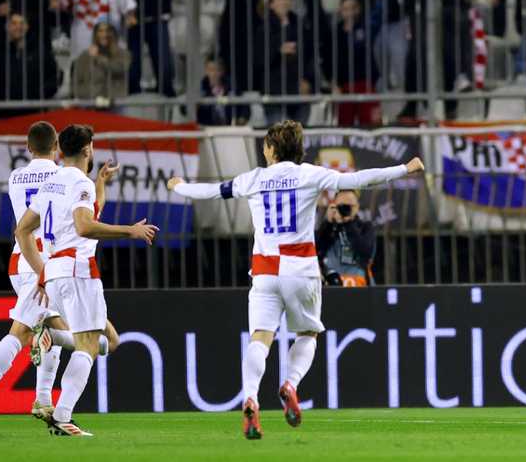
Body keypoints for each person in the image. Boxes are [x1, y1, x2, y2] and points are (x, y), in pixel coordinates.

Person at [166, 120, 424, 439]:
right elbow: (357, 179)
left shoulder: (255, 178)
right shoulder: (309, 174)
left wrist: (178, 186)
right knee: (307, 333)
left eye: (265, 145)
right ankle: (290, 384)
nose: (263, 150)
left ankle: (250, 397)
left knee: (260, 338)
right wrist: (404, 168)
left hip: (264, 269)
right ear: (298, 149)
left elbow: (211, 192)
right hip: (300, 267)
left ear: (272, 149)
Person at [0, 122, 118, 432]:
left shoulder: (16, 177)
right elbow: (88, 216)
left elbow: (25, 224)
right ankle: (39, 399)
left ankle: (12, 396)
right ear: (58, 146)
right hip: (53, 265)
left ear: (30, 147)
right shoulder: (65, 178)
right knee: (89, 339)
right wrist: (98, 184)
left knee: (25, 334)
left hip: (22, 259)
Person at [15, 124, 159, 436]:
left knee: (109, 342)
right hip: (78, 269)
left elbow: (22, 230)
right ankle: (63, 414)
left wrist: (41, 270)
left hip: (55, 271)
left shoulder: (53, 183)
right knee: (91, 344)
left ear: (60, 150)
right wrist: (129, 231)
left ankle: (51, 339)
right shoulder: (80, 182)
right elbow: (83, 226)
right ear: (87, 149)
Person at [0, 13, 60, 119]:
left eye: (22, 23)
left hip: (35, 113)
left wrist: (37, 96)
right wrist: (1, 96)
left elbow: (55, 78)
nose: (18, 27)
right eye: (14, 23)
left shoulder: (41, 52)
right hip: (2, 114)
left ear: (27, 26)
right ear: (7, 26)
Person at [323, 0, 381, 127]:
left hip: (365, 84)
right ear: (340, 10)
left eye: (352, 8)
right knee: (344, 125)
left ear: (358, 9)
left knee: (371, 124)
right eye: (345, 8)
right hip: (343, 87)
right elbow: (328, 60)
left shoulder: (366, 28)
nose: (349, 12)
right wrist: (332, 83)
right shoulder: (334, 34)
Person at [315, 189, 377, 286]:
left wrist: (348, 223)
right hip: (332, 285)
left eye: (349, 206)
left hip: (360, 287)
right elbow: (316, 251)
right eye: (341, 206)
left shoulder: (365, 227)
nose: (345, 209)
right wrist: (327, 224)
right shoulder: (329, 228)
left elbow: (365, 254)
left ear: (357, 207)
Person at [72, 22, 132, 103]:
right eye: (100, 31)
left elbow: (119, 69)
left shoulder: (123, 54)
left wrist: (98, 58)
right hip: (90, 102)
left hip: (115, 102)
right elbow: (76, 82)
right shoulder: (85, 56)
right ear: (95, 35)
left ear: (114, 34)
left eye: (108, 31)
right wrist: (87, 96)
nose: (104, 34)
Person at [197, 58, 245, 126]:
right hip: (207, 128)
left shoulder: (231, 86)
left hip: (230, 128)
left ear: (223, 71)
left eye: (218, 70)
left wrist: (242, 118)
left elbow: (245, 106)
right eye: (211, 70)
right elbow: (185, 109)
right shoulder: (201, 87)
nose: (214, 73)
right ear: (206, 71)